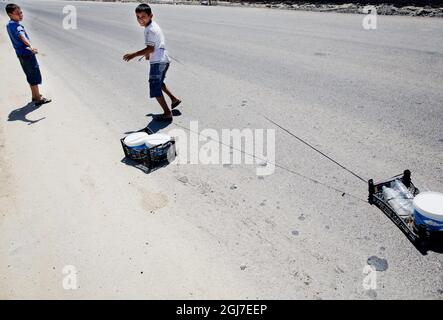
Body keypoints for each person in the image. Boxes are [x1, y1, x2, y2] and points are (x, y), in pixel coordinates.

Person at [123, 3, 181, 122]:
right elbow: (154, 45)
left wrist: (134, 54)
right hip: (163, 60)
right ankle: (174, 99)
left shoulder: (151, 30)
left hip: (158, 62)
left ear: (151, 16)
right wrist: (148, 54)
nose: (140, 20)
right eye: (138, 17)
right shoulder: (151, 26)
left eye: (143, 16)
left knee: (154, 86)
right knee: (158, 82)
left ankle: (167, 113)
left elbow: (150, 48)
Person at [5, 3, 51, 105]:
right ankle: (39, 99)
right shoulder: (17, 27)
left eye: (21, 12)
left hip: (20, 55)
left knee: (29, 75)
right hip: (27, 54)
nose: (21, 15)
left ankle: (34, 96)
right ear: (10, 14)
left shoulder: (9, 25)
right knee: (34, 76)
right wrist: (30, 46)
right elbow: (22, 36)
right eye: (17, 13)